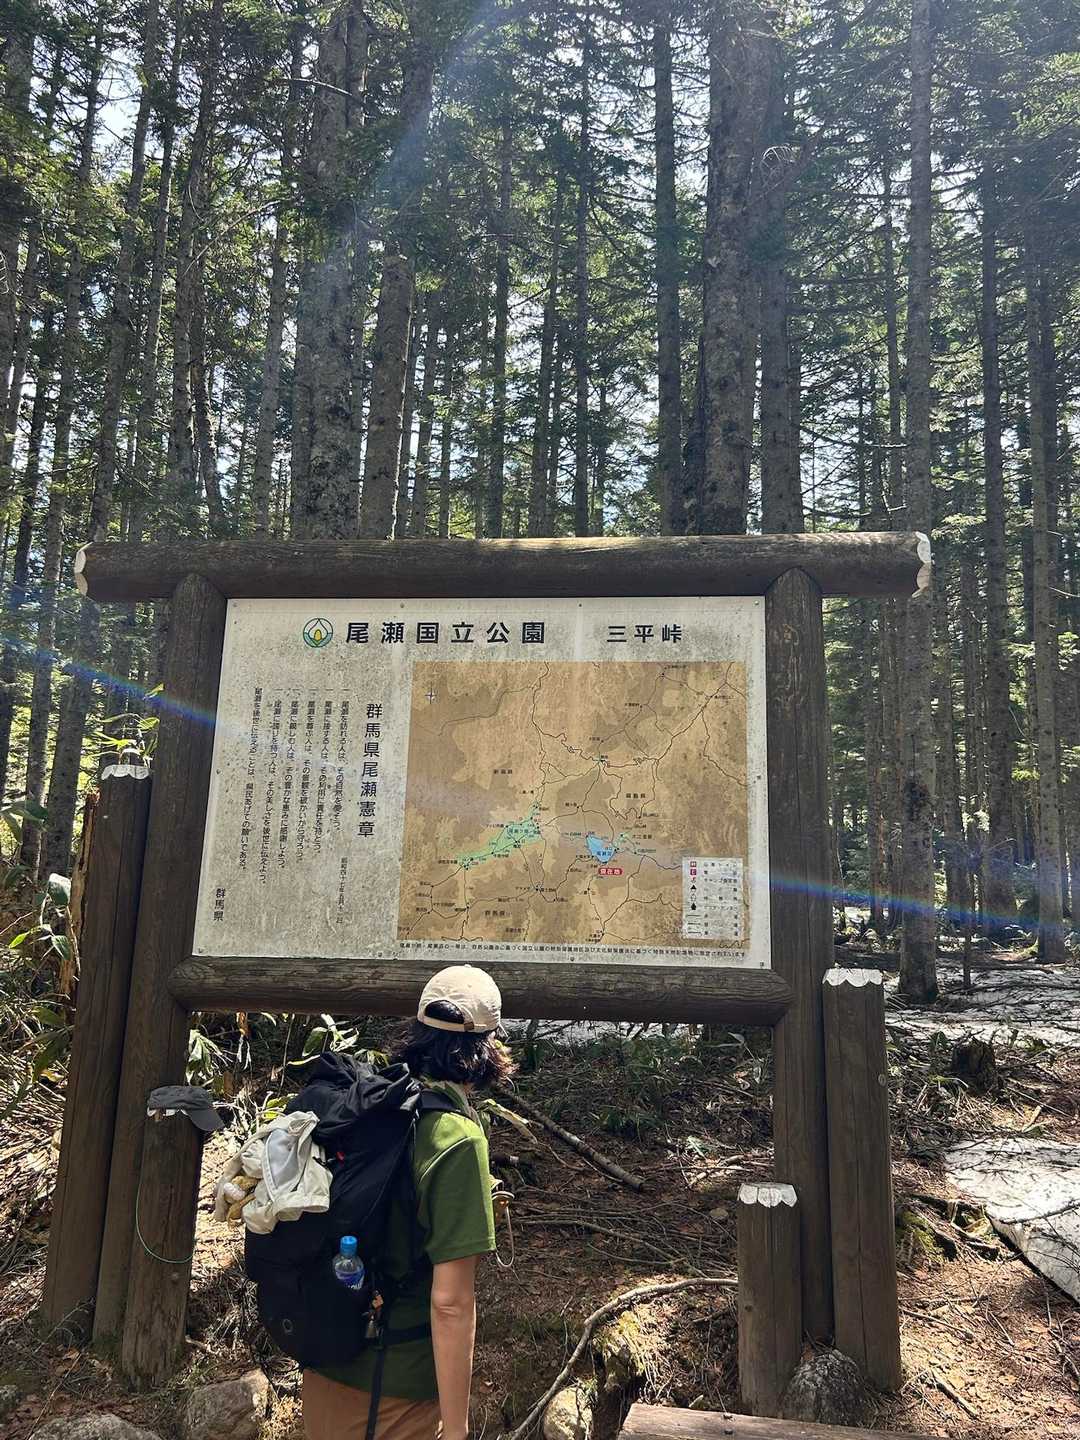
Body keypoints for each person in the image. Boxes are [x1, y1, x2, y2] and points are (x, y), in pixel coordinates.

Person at [302, 965, 513, 1440]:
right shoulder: (456, 1140)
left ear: (416, 1032)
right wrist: (456, 1431)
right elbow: (451, 1304)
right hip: (393, 1393)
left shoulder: (373, 1104)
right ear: (489, 1046)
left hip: (325, 1368)